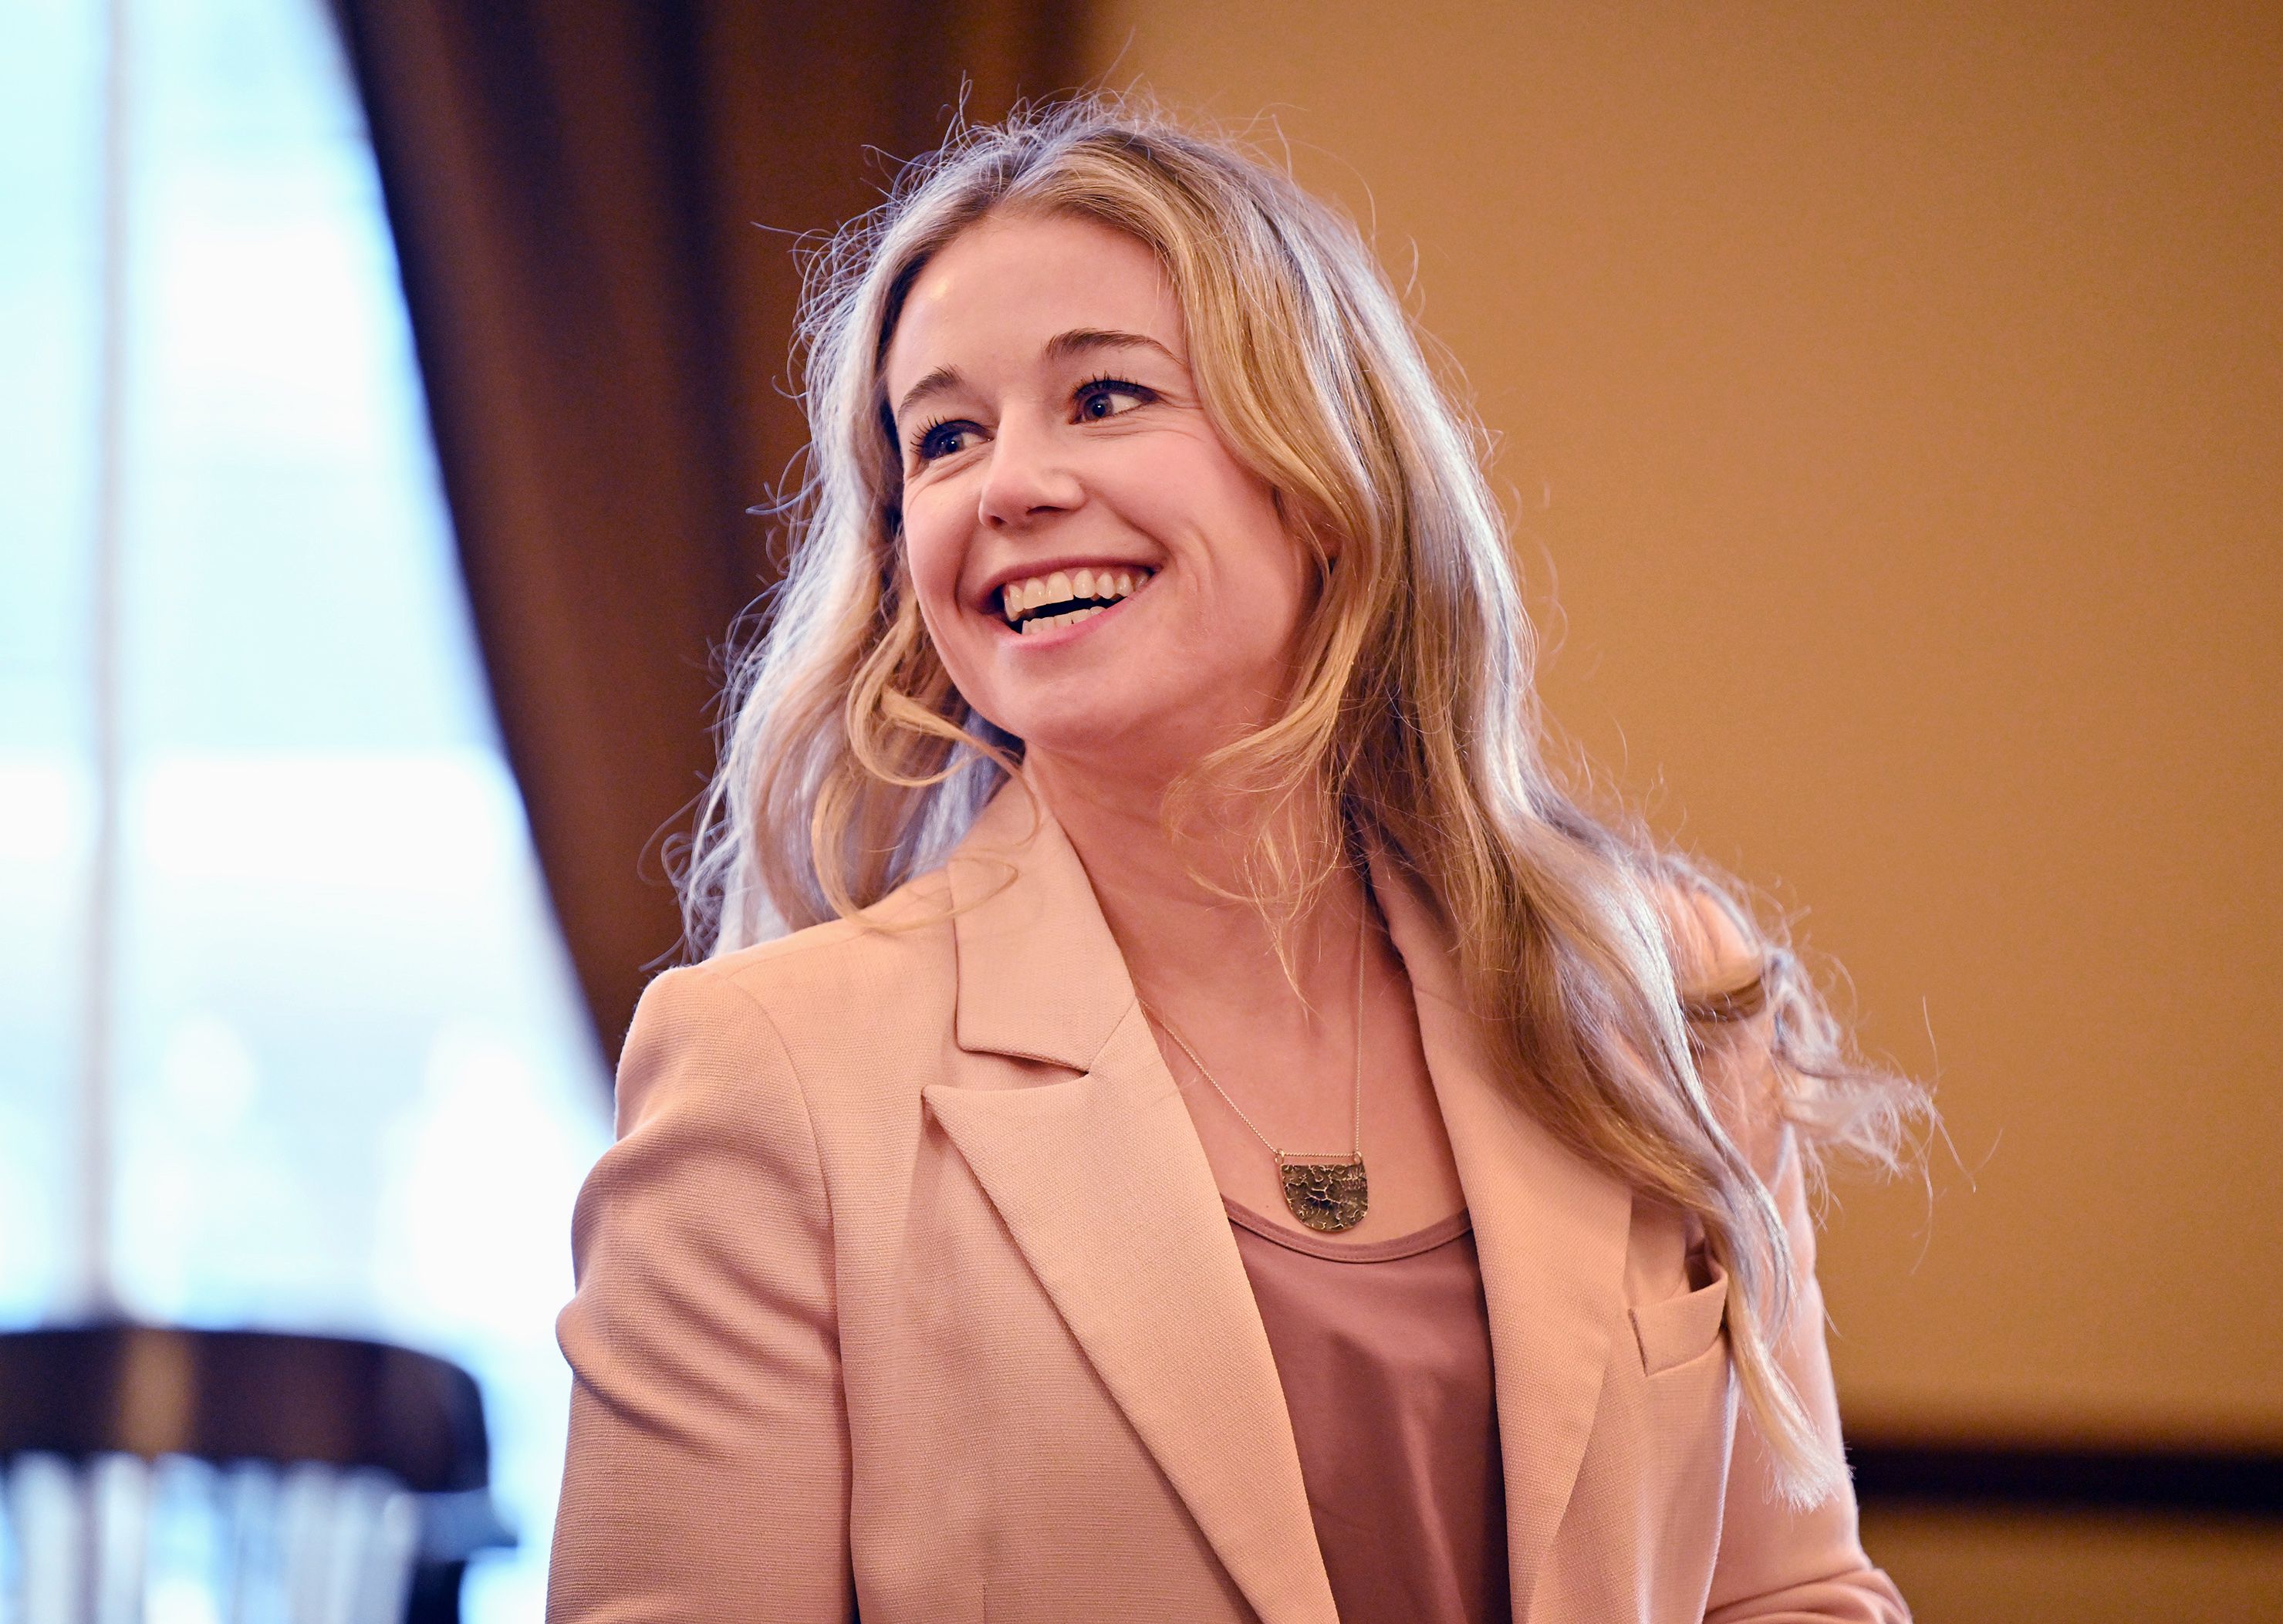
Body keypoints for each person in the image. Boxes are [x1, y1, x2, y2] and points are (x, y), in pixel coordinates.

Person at [546, 96, 1926, 1624]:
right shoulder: (773, 1070)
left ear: (1325, 481)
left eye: (1105, 398)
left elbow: (1792, 1592)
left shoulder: (1658, 989)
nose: (1007, 484)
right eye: (943, 435)